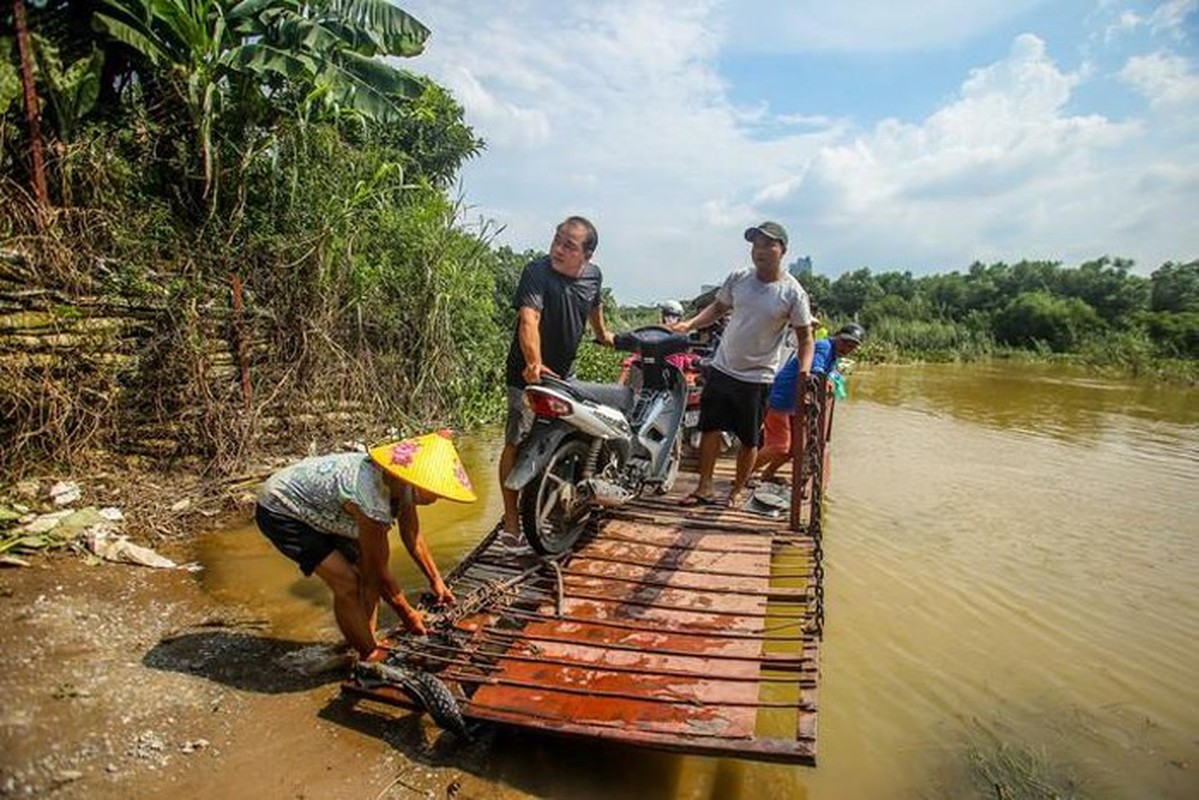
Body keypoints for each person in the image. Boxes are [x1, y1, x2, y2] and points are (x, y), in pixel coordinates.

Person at [254, 430, 476, 663]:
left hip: (326, 509)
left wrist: (436, 581)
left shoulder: (403, 483)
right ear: (417, 480)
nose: (439, 496)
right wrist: (407, 614)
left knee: (366, 574)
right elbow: (380, 572)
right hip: (282, 508)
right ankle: (369, 656)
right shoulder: (372, 497)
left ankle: (361, 638)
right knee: (348, 582)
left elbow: (412, 536)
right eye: (438, 489)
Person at [671, 221, 814, 508]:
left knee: (749, 440)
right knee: (709, 428)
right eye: (755, 244)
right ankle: (705, 487)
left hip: (758, 376)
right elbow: (718, 308)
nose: (758, 251)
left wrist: (804, 372)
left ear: (782, 250)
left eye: (767, 245)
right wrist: (690, 324)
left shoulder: (793, 293)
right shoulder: (738, 278)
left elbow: (805, 339)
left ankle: (737, 490)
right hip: (723, 367)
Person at [499, 216, 614, 541]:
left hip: (566, 375)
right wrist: (534, 363)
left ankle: (556, 500)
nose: (558, 249)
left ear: (587, 255)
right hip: (527, 375)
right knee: (517, 440)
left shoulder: (594, 275)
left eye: (569, 245)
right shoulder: (537, 271)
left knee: (570, 432)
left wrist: (602, 333)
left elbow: (594, 304)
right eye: (557, 239)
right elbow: (528, 318)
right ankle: (511, 519)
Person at [750, 323, 865, 486]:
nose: (847, 348)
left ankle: (767, 474)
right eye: (845, 342)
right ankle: (744, 474)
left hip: (796, 402)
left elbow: (826, 374)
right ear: (836, 336)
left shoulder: (834, 354)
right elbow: (816, 372)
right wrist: (825, 383)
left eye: (852, 346)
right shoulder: (824, 347)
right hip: (782, 398)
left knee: (794, 449)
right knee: (779, 446)